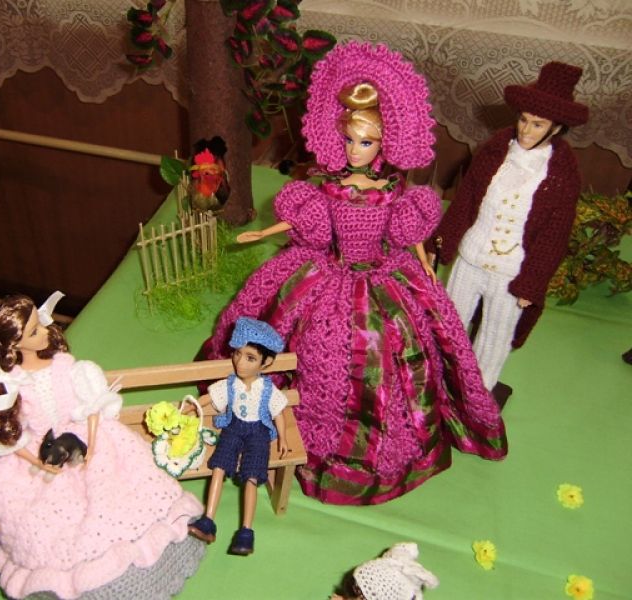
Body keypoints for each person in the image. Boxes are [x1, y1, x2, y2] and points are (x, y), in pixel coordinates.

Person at [202, 42, 507, 506]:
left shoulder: (394, 190)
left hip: (383, 275)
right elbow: (306, 223)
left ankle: (384, 446)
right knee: (293, 331)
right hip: (327, 270)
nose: (355, 150)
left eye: (366, 142)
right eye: (349, 140)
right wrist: (264, 231)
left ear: (384, 143)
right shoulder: (327, 186)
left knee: (394, 351)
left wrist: (425, 262)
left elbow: (408, 233)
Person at [0, 292, 205, 600]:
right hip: (40, 454)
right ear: (15, 345)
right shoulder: (10, 386)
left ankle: (152, 563)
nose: (45, 331)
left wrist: (92, 445)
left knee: (120, 494)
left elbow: (93, 408)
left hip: (85, 437)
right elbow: (13, 439)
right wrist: (38, 462)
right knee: (44, 520)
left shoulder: (67, 369)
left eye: (40, 325)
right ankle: (76, 583)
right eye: (34, 331)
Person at [427, 62, 588, 397]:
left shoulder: (561, 173)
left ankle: (478, 393)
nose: (526, 130)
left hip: (511, 271)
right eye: (523, 120)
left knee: (495, 334)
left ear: (556, 128)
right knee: (449, 321)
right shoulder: (495, 150)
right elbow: (466, 200)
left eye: (537, 124)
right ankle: (439, 378)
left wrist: (533, 281)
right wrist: (439, 243)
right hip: (471, 256)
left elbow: (554, 235)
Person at [188, 317, 288, 556]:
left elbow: (279, 412)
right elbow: (210, 399)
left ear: (266, 362)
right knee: (219, 466)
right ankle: (208, 520)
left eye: (250, 358)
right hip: (233, 427)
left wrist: (283, 438)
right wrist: (193, 407)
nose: (240, 362)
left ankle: (246, 532)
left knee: (251, 476)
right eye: (237, 354)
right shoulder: (231, 384)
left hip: (258, 433)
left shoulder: (267, 389)